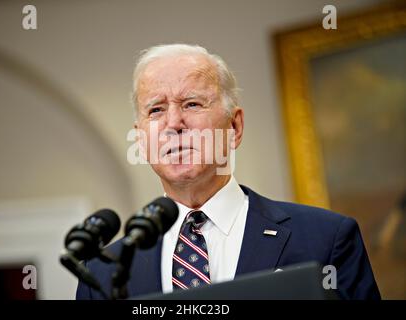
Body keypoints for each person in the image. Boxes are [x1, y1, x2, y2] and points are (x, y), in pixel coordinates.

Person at [76, 44, 380, 300]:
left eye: (192, 104)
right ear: (141, 139)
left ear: (234, 127)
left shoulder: (327, 239)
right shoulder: (103, 273)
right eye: (156, 110)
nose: (174, 123)